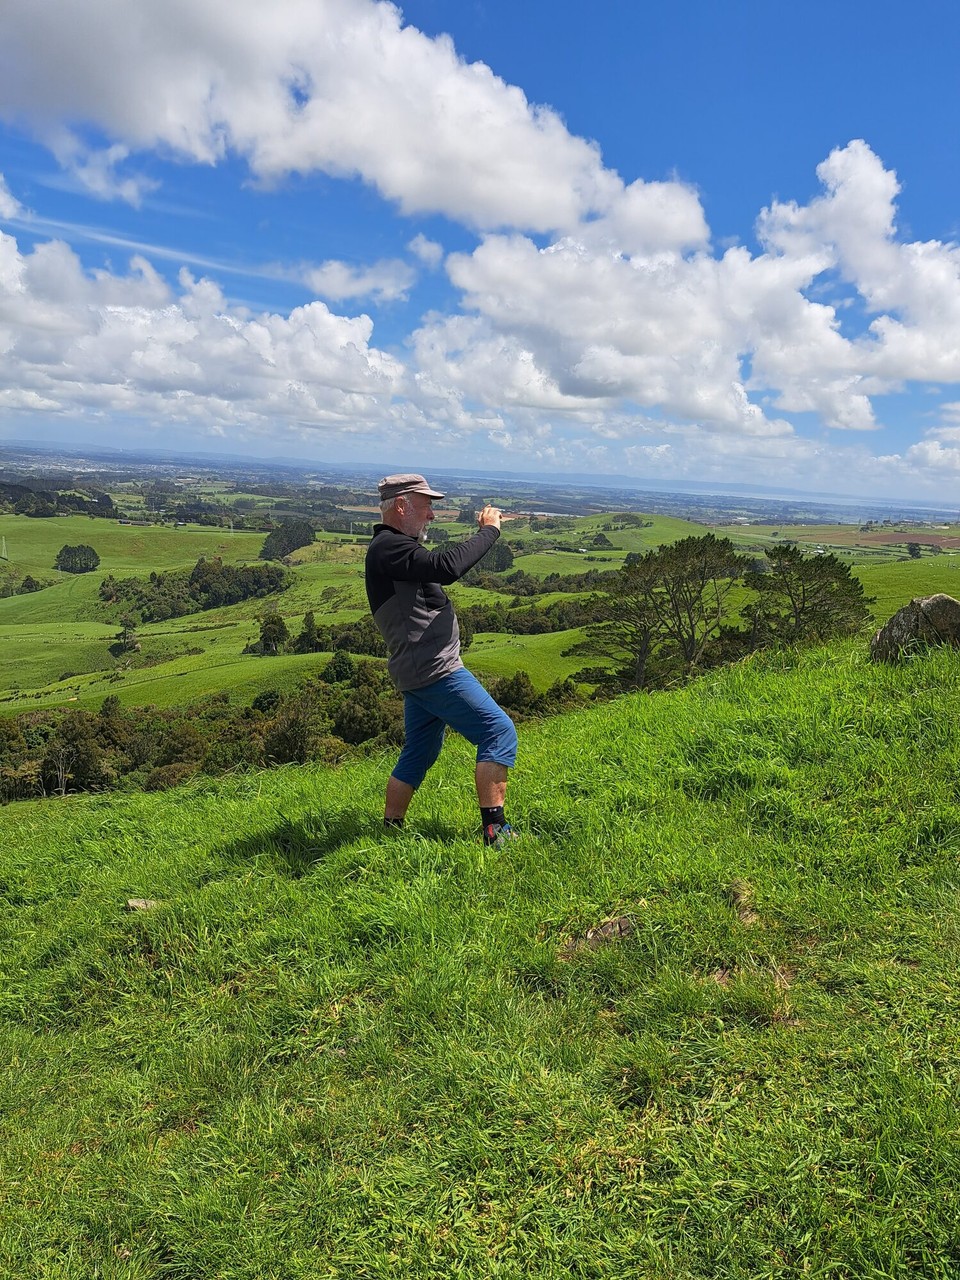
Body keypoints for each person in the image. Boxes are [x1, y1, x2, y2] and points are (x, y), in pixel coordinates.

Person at [365, 473, 518, 845]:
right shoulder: (389, 547)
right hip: (435, 670)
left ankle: (390, 832)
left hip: (419, 669)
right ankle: (496, 831)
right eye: (426, 506)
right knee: (498, 731)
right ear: (402, 507)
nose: (432, 515)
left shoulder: (394, 548)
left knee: (421, 750)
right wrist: (490, 531)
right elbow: (446, 568)